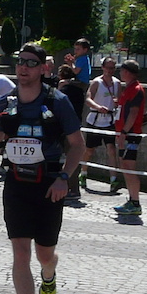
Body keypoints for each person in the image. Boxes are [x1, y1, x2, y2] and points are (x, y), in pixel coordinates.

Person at [0, 43, 83, 294]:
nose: (24, 67)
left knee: (44, 254)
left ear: (44, 69)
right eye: (21, 62)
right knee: (20, 253)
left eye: (31, 63)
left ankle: (49, 272)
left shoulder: (57, 102)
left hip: (49, 185)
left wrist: (63, 178)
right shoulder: (4, 103)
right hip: (17, 184)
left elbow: (77, 144)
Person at [80, 57, 121, 193]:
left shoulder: (117, 83)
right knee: (89, 150)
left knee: (111, 149)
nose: (110, 71)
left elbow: (120, 101)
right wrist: (98, 107)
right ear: (103, 68)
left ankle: (113, 179)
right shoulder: (97, 82)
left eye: (112, 68)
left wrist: (117, 102)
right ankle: (83, 173)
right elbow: (88, 98)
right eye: (108, 68)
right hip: (95, 120)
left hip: (110, 120)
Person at [113, 59, 145, 216]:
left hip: (130, 135)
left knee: (129, 167)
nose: (120, 73)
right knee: (125, 166)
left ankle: (135, 202)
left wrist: (124, 132)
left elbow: (133, 113)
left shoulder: (136, 89)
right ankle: (132, 200)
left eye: (121, 70)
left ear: (127, 72)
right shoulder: (128, 89)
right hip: (124, 134)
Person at [57, 64, 86, 198]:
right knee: (74, 159)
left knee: (64, 158)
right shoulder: (79, 90)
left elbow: (56, 105)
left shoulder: (63, 91)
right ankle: (74, 188)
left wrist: (59, 89)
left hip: (63, 129)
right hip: (76, 126)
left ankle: (71, 188)